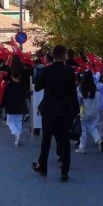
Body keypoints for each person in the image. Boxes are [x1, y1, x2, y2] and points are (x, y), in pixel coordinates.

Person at [32, 45, 79, 182]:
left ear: (53, 55)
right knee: (64, 141)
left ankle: (43, 167)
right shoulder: (70, 72)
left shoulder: (46, 71)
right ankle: (64, 171)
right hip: (65, 110)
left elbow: (37, 87)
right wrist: (76, 109)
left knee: (46, 140)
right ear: (64, 55)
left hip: (49, 109)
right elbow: (73, 92)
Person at [76, 70, 103, 154]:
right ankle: (98, 140)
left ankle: (82, 147)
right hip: (94, 112)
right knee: (92, 127)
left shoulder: (80, 88)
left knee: (83, 130)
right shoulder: (95, 88)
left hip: (84, 112)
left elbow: (79, 102)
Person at [2, 65, 29, 146]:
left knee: (10, 122)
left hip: (11, 107)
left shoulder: (9, 86)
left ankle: (16, 133)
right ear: (20, 76)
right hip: (21, 107)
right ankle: (18, 136)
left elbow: (5, 96)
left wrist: (2, 104)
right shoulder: (22, 86)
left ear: (11, 76)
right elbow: (25, 96)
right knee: (18, 122)